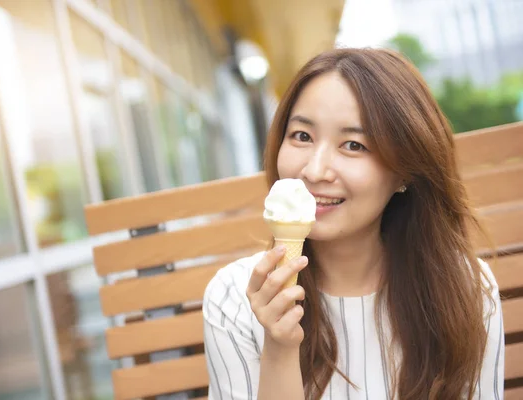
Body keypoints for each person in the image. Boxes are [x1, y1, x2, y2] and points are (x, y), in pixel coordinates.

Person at [202, 48, 504, 400]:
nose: (314, 171)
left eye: (353, 145)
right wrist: (280, 347)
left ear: (405, 170)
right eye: (302, 136)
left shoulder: (466, 289)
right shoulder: (233, 299)